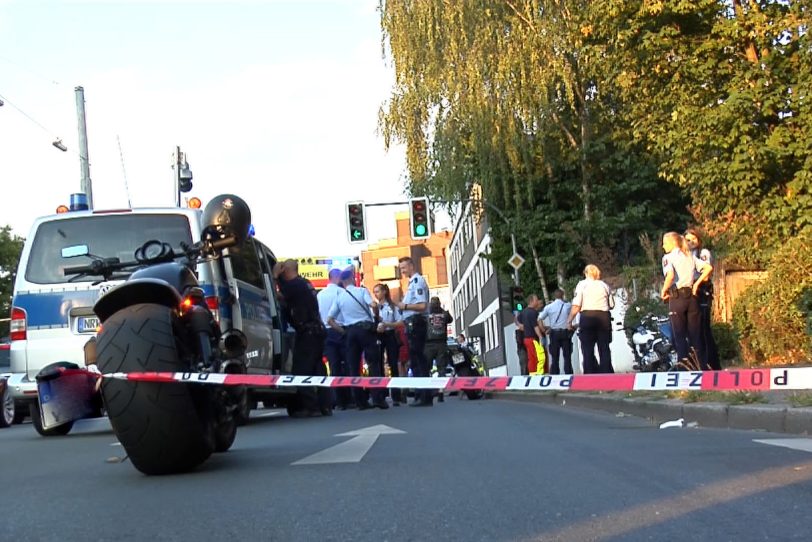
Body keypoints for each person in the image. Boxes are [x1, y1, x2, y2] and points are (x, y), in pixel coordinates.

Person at [274, 259, 331, 417]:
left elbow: (275, 295)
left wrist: (273, 276)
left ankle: (310, 407)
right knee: (318, 369)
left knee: (301, 370)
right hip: (316, 331)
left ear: (285, 269)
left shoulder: (294, 285)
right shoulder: (304, 283)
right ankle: (325, 405)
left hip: (308, 333)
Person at [327, 268, 389, 410]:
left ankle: (360, 401)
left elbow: (330, 319)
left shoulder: (339, 297)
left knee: (353, 367)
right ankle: (377, 398)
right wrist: (376, 316)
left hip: (350, 332)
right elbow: (373, 304)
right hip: (366, 330)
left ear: (342, 281)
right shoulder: (361, 291)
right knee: (373, 363)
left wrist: (343, 331)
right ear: (352, 279)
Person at [661, 232, 713, 369]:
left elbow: (670, 275)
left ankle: (684, 369)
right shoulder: (689, 256)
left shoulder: (668, 257)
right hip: (692, 297)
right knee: (696, 335)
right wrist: (696, 284)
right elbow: (708, 268)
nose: (663, 246)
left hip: (677, 297)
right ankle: (700, 367)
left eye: (665, 243)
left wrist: (663, 290)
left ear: (672, 243)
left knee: (679, 336)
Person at [396, 256, 432, 406]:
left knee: (418, 360)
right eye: (401, 268)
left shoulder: (417, 281)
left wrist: (404, 306)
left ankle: (424, 396)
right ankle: (420, 394)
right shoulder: (411, 283)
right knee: (415, 360)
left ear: (412, 266)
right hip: (412, 324)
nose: (402, 271)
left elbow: (422, 306)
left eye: (404, 268)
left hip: (417, 324)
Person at [567, 265, 614, 374]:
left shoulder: (582, 285)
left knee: (587, 348)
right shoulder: (604, 285)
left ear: (586, 273)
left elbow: (576, 305)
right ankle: (607, 373)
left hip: (588, 316)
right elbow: (611, 305)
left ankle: (590, 374)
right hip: (603, 317)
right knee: (604, 347)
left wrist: (570, 320)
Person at [685, 228, 721, 370]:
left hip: (702, 290)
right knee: (693, 330)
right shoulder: (685, 256)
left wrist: (696, 285)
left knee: (704, 328)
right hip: (689, 291)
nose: (691, 242)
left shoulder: (703, 253)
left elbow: (706, 274)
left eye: (693, 239)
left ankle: (711, 364)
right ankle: (697, 363)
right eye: (688, 239)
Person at [317, 268, 352, 410]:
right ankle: (350, 398)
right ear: (338, 277)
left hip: (327, 332)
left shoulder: (320, 295)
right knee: (349, 364)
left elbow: (318, 315)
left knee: (334, 366)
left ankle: (338, 400)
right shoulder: (342, 293)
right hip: (342, 331)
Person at [373, 283, 403, 406]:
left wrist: (387, 325)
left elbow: (400, 322)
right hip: (378, 335)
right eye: (374, 292)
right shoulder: (374, 307)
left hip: (390, 334)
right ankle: (382, 395)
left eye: (378, 291)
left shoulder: (392, 306)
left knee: (393, 364)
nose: (376, 294)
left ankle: (396, 395)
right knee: (379, 364)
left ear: (384, 292)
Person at [424, 296, 453, 402]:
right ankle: (440, 392)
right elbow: (450, 319)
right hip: (441, 343)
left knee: (427, 368)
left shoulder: (427, 314)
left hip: (429, 344)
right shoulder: (444, 314)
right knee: (441, 369)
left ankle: (429, 392)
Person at [539, 289, 573, 375]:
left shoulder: (549, 307)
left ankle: (555, 374)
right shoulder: (567, 305)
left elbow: (540, 318)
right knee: (567, 356)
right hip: (565, 333)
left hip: (554, 333)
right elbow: (573, 312)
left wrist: (543, 329)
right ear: (562, 295)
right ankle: (568, 374)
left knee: (554, 357)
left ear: (554, 296)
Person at [519, 294, 546, 375]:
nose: (537, 302)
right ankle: (539, 373)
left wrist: (521, 326)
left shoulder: (523, 312)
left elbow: (517, 320)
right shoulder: (533, 312)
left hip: (526, 338)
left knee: (531, 358)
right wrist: (541, 336)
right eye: (536, 300)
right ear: (532, 301)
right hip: (533, 338)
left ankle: (532, 374)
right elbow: (536, 326)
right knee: (540, 357)